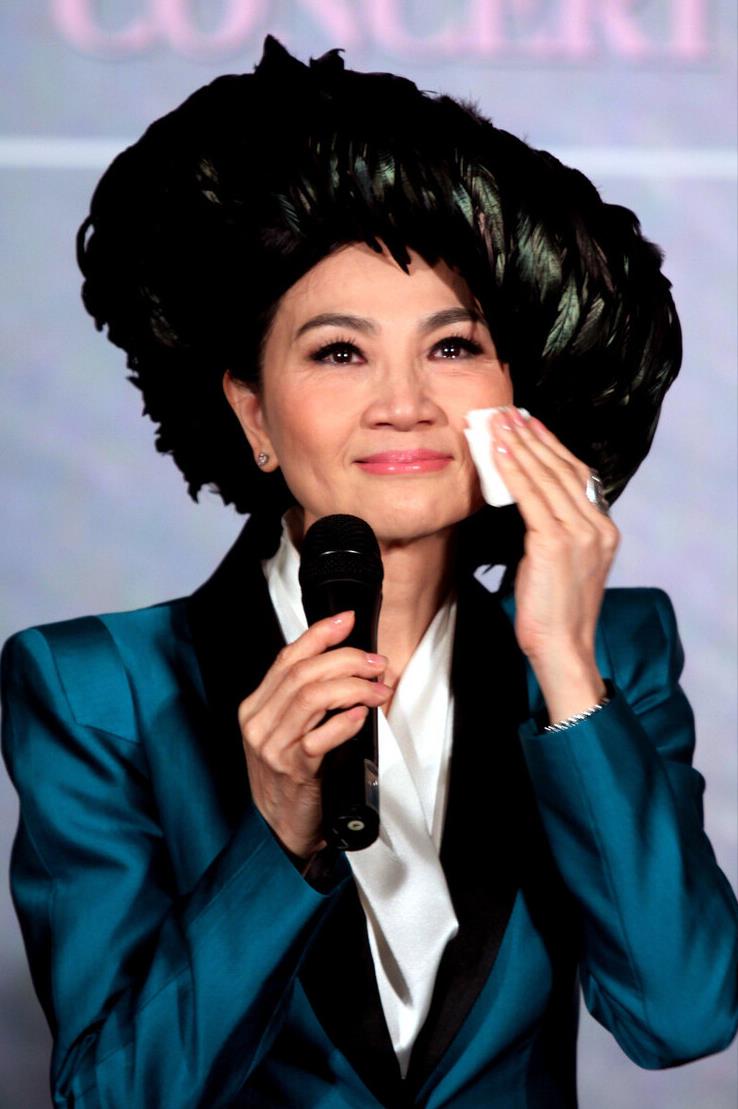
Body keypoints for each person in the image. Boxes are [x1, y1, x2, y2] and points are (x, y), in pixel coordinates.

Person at [2, 33, 737, 1109]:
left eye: (453, 347)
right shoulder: (98, 687)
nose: (403, 404)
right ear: (254, 413)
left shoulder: (613, 653)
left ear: (518, 396)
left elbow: (683, 1014)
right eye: (339, 351)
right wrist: (276, 837)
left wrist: (565, 669)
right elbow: (114, 1094)